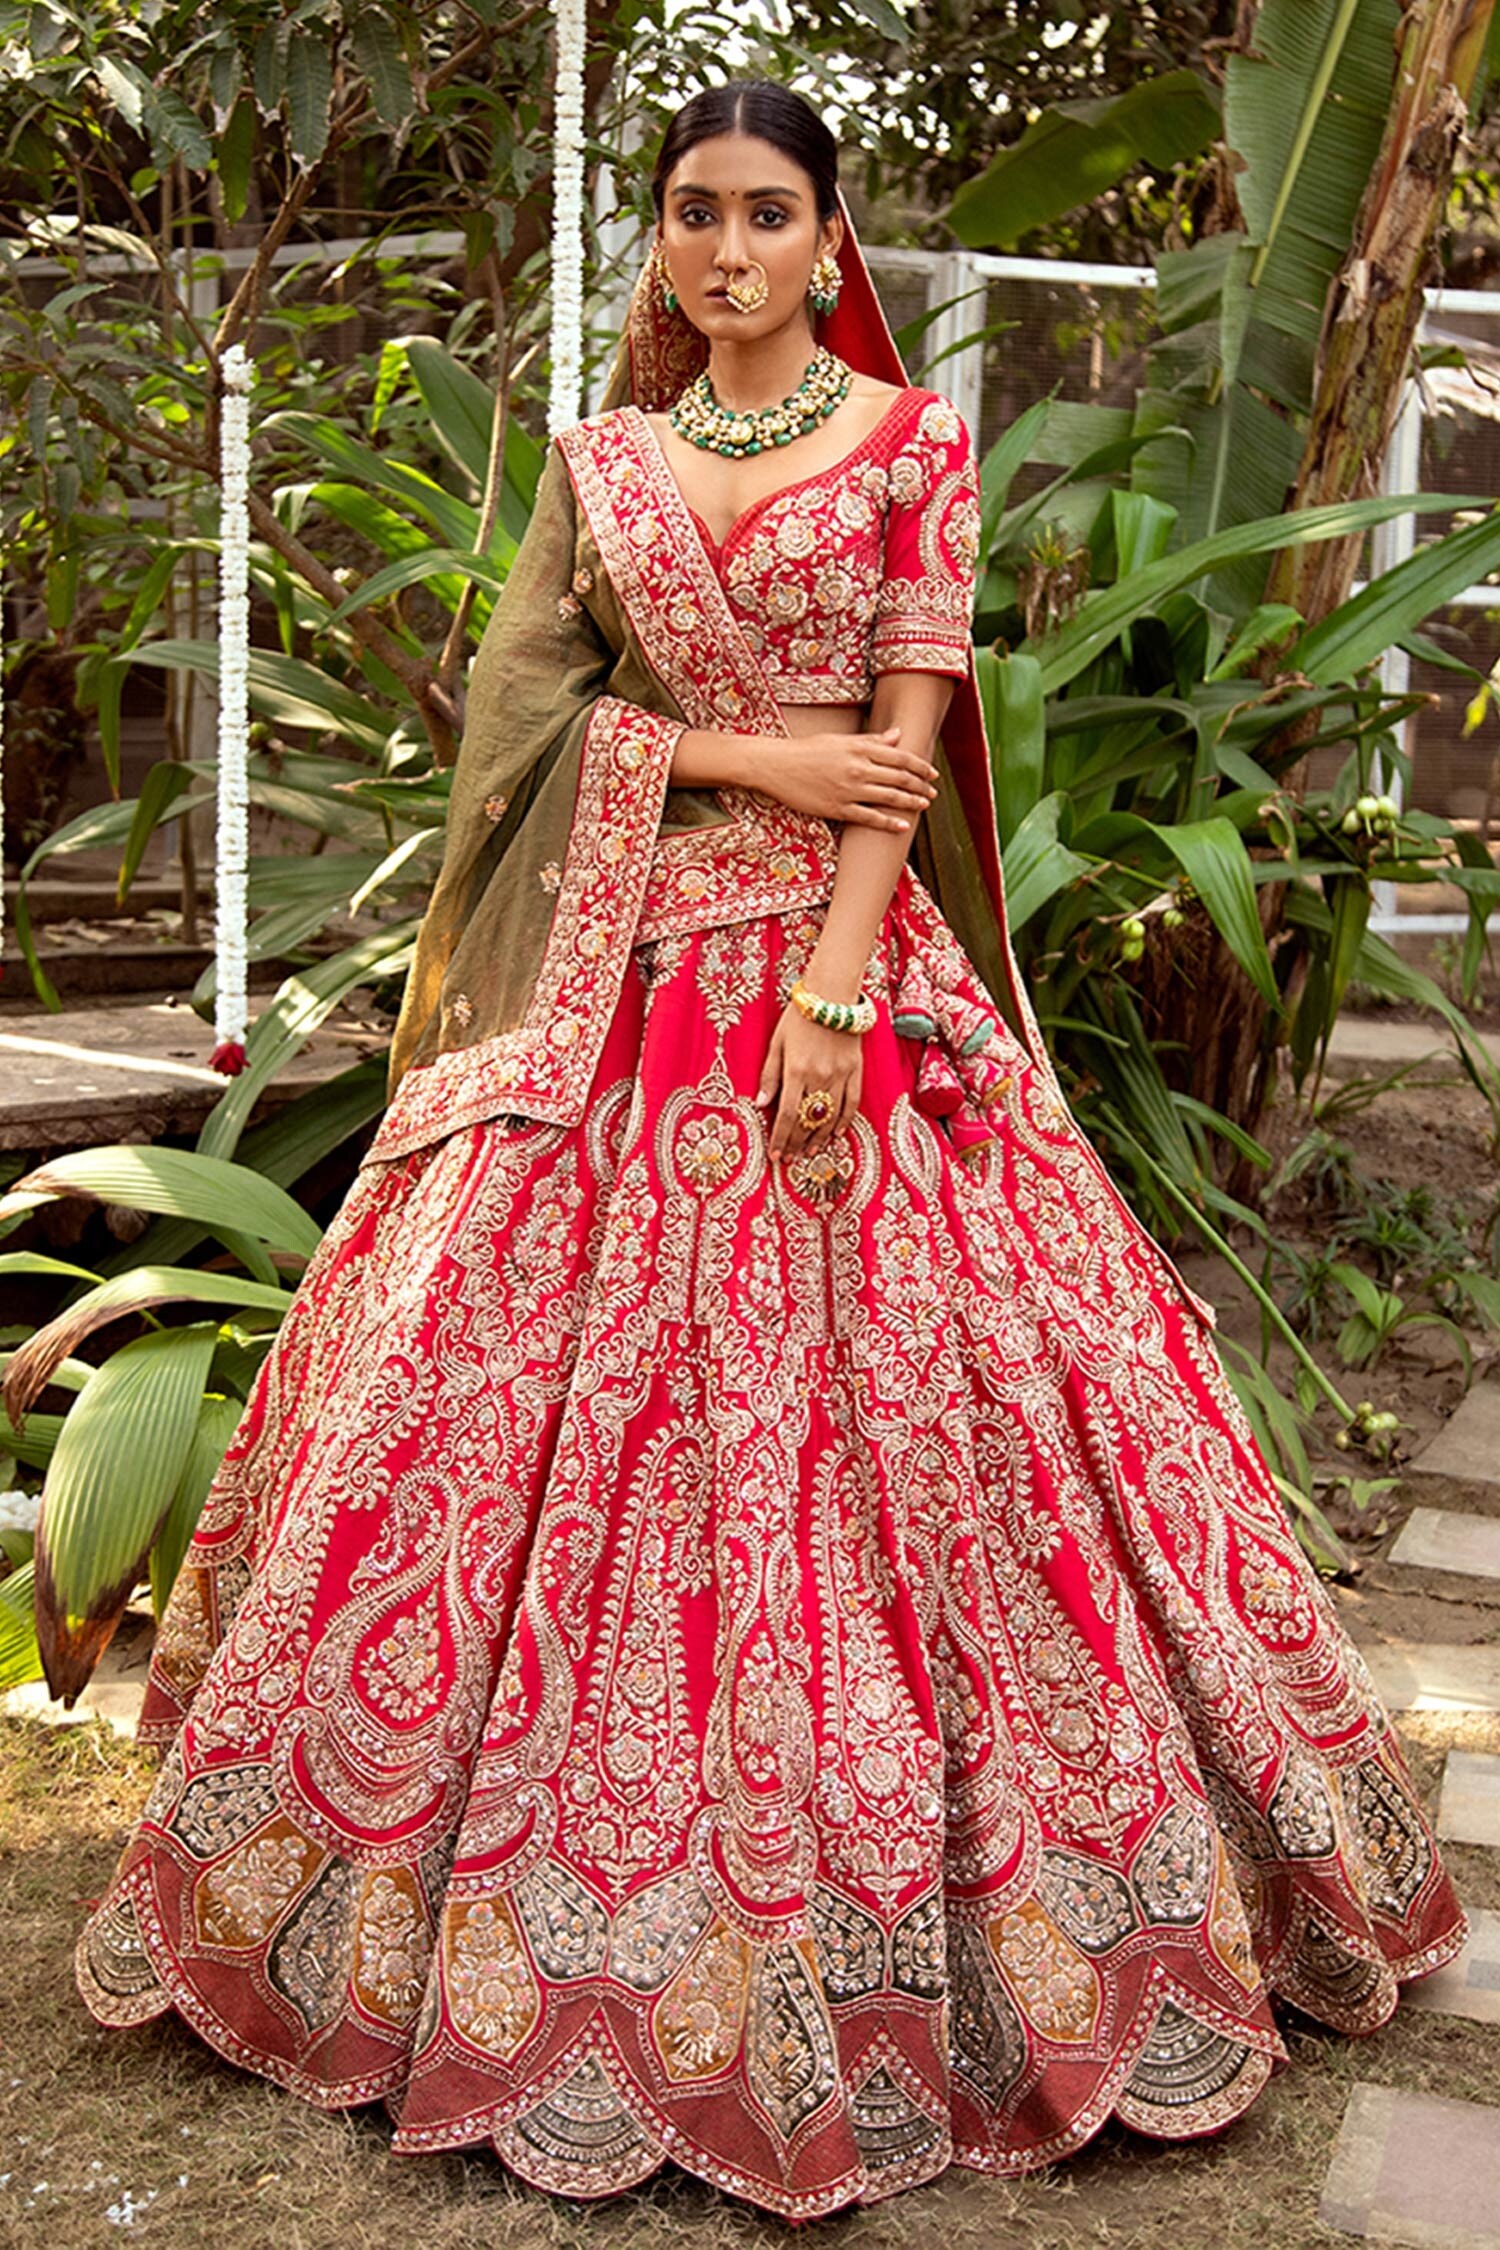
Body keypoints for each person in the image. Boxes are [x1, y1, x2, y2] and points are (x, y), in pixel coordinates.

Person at [77, 80, 1466, 2223]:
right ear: (663, 243)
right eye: (692, 213)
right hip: (615, 996)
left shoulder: (914, 445)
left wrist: (833, 998)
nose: (724, 249)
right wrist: (726, 746)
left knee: (942, 1419)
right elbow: (524, 727)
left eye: (767, 214)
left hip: (847, 989)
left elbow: (904, 753)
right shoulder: (600, 468)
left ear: (834, 246)